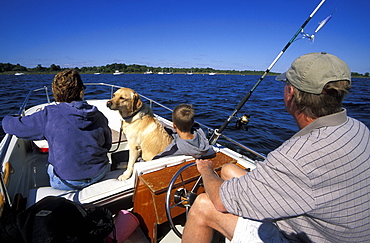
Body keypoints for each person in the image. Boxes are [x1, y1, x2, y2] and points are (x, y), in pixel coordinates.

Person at [182, 52, 370, 242]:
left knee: (203, 206)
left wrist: (206, 170)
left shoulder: (297, 157)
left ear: (291, 93)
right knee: (229, 170)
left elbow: (220, 202)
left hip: (309, 237)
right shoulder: (358, 128)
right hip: (327, 225)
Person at [2, 69, 112, 190]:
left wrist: (8, 118)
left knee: (49, 167)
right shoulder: (98, 115)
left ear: (55, 92)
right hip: (100, 173)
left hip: (67, 182)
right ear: (82, 90)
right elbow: (107, 144)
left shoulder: (49, 114)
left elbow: (11, 126)